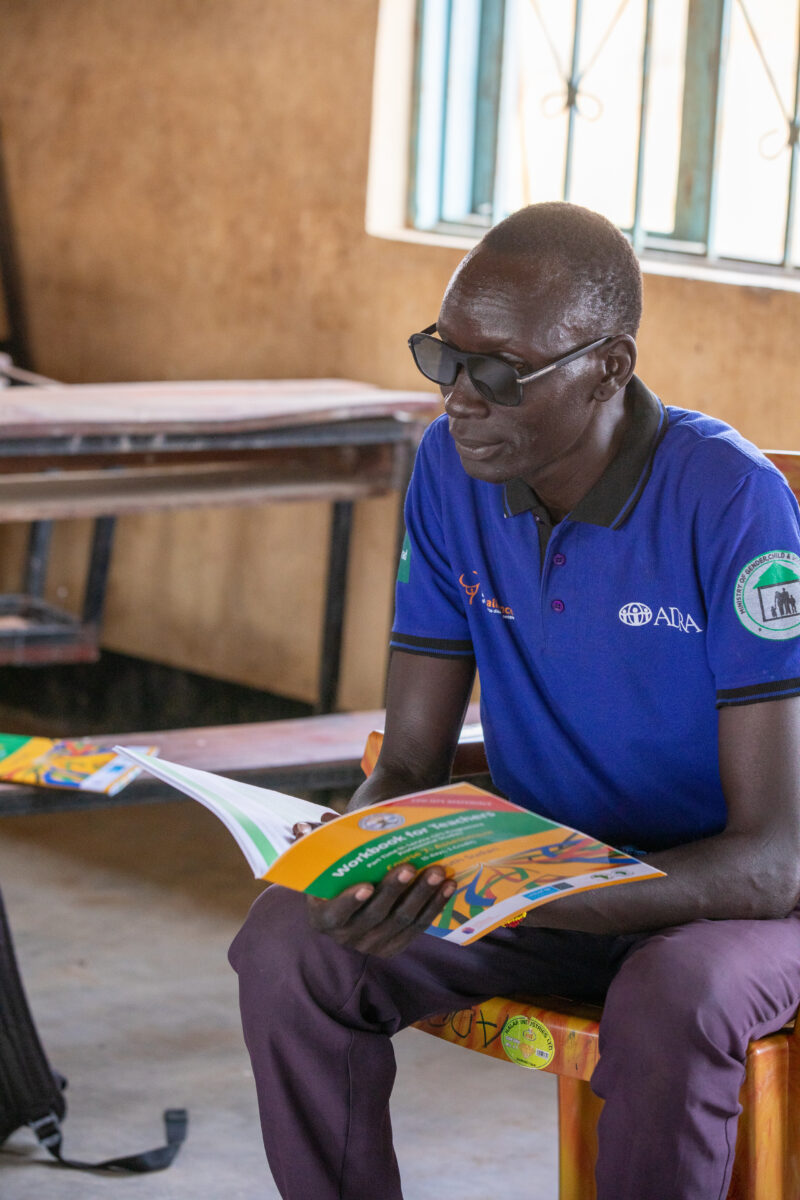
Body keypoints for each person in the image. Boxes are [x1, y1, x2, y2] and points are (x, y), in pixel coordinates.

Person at [229, 202, 800, 1200]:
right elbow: (408, 766)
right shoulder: (450, 471)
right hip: (543, 880)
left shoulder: (730, 500)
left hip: (725, 908)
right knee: (288, 944)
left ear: (607, 368)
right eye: (441, 357)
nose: (458, 398)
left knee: (676, 994)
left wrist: (521, 890)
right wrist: (360, 859)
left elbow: (770, 864)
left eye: (496, 371)